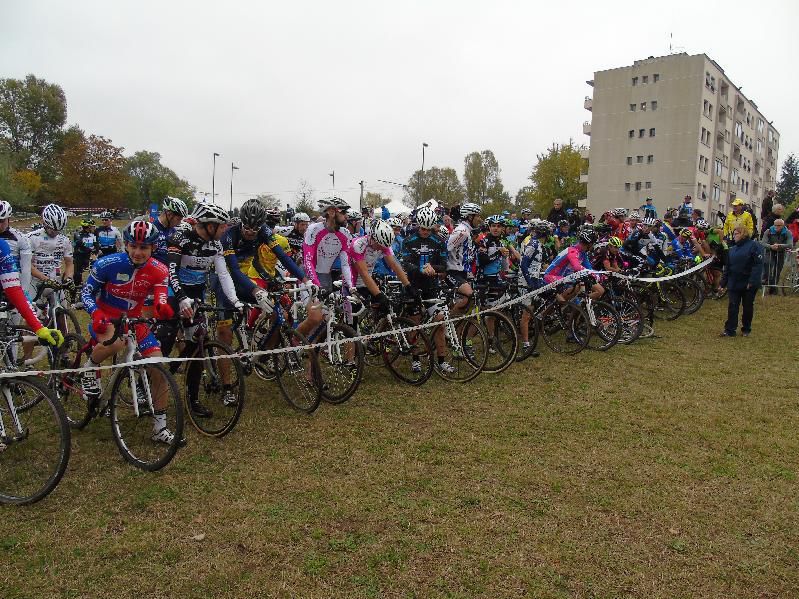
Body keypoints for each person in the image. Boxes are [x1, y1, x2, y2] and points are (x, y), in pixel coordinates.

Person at [80, 221, 177, 443]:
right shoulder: (108, 263)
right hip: (105, 318)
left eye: (144, 248)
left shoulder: (159, 269)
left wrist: (163, 307)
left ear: (153, 248)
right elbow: (86, 293)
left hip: (134, 319)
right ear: (126, 245)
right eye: (133, 246)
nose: (137, 252)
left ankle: (159, 428)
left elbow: (161, 295)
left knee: (159, 368)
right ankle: (89, 368)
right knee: (116, 343)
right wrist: (95, 313)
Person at [159, 202, 243, 416]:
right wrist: (180, 298)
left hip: (196, 294)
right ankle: (148, 384)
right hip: (173, 291)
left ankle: (192, 399)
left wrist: (235, 301)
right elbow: (171, 272)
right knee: (166, 341)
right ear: (209, 225)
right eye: (221, 226)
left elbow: (223, 274)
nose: (225, 229)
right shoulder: (181, 238)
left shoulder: (215, 245)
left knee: (198, 345)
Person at [399, 206, 456, 373]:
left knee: (440, 321)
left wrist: (433, 268)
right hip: (413, 286)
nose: (425, 232)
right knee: (414, 324)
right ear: (418, 225)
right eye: (422, 228)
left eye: (428, 229)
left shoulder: (438, 241)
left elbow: (444, 265)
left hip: (431, 287)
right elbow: (405, 263)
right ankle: (415, 359)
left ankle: (441, 360)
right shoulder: (408, 241)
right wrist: (420, 269)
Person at [719, 224, 763, 337]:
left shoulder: (754, 246)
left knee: (747, 306)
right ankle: (730, 329)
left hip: (748, 282)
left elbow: (757, 265)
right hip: (734, 282)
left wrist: (752, 281)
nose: (734, 236)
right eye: (733, 234)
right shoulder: (732, 249)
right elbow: (728, 267)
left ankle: (746, 329)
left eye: (736, 234)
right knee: (733, 306)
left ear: (743, 234)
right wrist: (722, 283)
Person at [543, 228, 604, 303]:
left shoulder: (583, 253)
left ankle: (575, 307)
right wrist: (592, 274)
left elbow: (589, 268)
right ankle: (556, 306)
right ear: (590, 244)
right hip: (550, 277)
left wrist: (598, 275)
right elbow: (577, 267)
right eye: (593, 244)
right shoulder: (572, 251)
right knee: (577, 286)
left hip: (564, 278)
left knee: (580, 286)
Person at [446, 202, 482, 315]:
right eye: (478, 216)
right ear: (470, 217)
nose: (480, 219)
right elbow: (446, 247)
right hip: (453, 272)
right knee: (470, 296)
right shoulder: (462, 232)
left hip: (462, 271)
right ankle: (446, 325)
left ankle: (458, 330)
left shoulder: (467, 231)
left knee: (467, 302)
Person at [0, 200, 33, 294]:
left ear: (8, 219)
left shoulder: (21, 239)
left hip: (11, 284)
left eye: (2, 221)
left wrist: (25, 292)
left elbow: (26, 269)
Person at [760, 219, 793, 294]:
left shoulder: (787, 232)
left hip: (781, 252)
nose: (776, 227)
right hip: (770, 251)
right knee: (767, 263)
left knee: (777, 270)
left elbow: (790, 244)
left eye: (779, 225)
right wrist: (771, 246)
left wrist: (779, 246)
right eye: (775, 225)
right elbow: (763, 243)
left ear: (783, 225)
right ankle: (766, 280)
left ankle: (773, 288)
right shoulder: (768, 231)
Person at [72, 218, 100, 286]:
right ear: (88, 227)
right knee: (77, 274)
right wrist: (90, 249)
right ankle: (76, 287)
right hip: (79, 257)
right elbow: (79, 245)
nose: (94, 227)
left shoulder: (93, 235)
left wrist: (96, 250)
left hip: (89, 256)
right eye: (93, 226)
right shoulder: (78, 234)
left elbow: (96, 246)